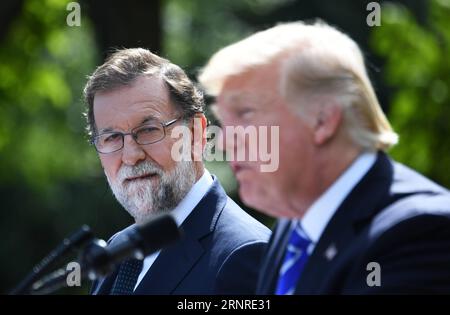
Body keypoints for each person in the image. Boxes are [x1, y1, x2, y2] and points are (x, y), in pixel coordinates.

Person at [199, 21, 450, 294]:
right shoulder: (294, 227)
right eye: (225, 120)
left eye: (245, 113)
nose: (224, 141)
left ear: (323, 119)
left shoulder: (417, 234)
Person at [83, 48, 270, 295]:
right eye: (112, 137)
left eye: (149, 130)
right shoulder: (118, 251)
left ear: (196, 133)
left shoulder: (246, 253)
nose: (130, 155)